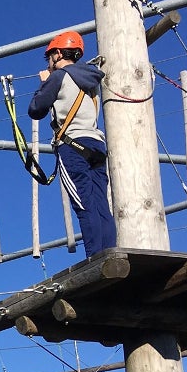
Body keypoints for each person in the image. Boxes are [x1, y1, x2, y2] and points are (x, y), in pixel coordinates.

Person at [28, 30, 115, 257]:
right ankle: (110, 253)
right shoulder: (92, 79)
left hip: (72, 145)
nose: (48, 62)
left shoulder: (58, 77)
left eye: (50, 56)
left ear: (58, 53)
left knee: (84, 204)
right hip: (96, 143)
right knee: (101, 206)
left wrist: (44, 83)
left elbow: (36, 109)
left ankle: (96, 258)